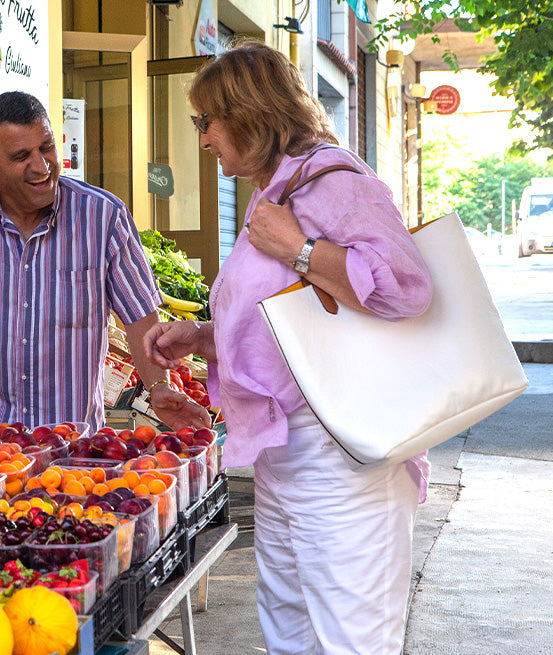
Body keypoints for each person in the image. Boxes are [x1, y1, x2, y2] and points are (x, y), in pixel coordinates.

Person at [143, 42, 433, 654]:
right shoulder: (275, 188)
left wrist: (297, 248)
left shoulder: (331, 180)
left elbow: (407, 288)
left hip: (343, 450)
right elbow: (292, 318)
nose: (202, 139)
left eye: (206, 121)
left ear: (248, 113)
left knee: (350, 636)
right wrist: (200, 339)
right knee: (290, 629)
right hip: (286, 449)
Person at [0, 90, 210, 435]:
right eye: (21, 156)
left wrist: (158, 386)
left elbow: (139, 317)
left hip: (69, 443)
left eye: (46, 147)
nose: (42, 167)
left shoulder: (104, 218)